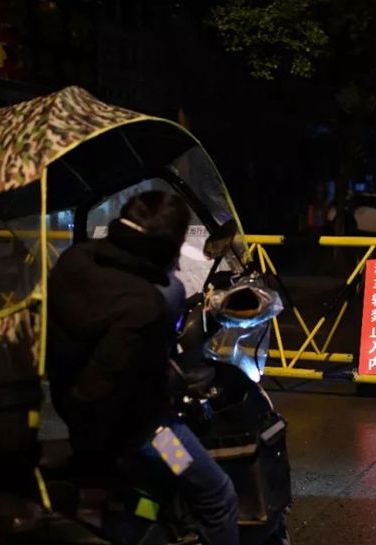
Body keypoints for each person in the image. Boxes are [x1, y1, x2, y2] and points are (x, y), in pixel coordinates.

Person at [46, 190, 239, 545]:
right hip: (146, 433)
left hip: (65, 405)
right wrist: (171, 382)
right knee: (218, 495)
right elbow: (112, 385)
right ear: (166, 247)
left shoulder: (76, 259)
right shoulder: (144, 305)